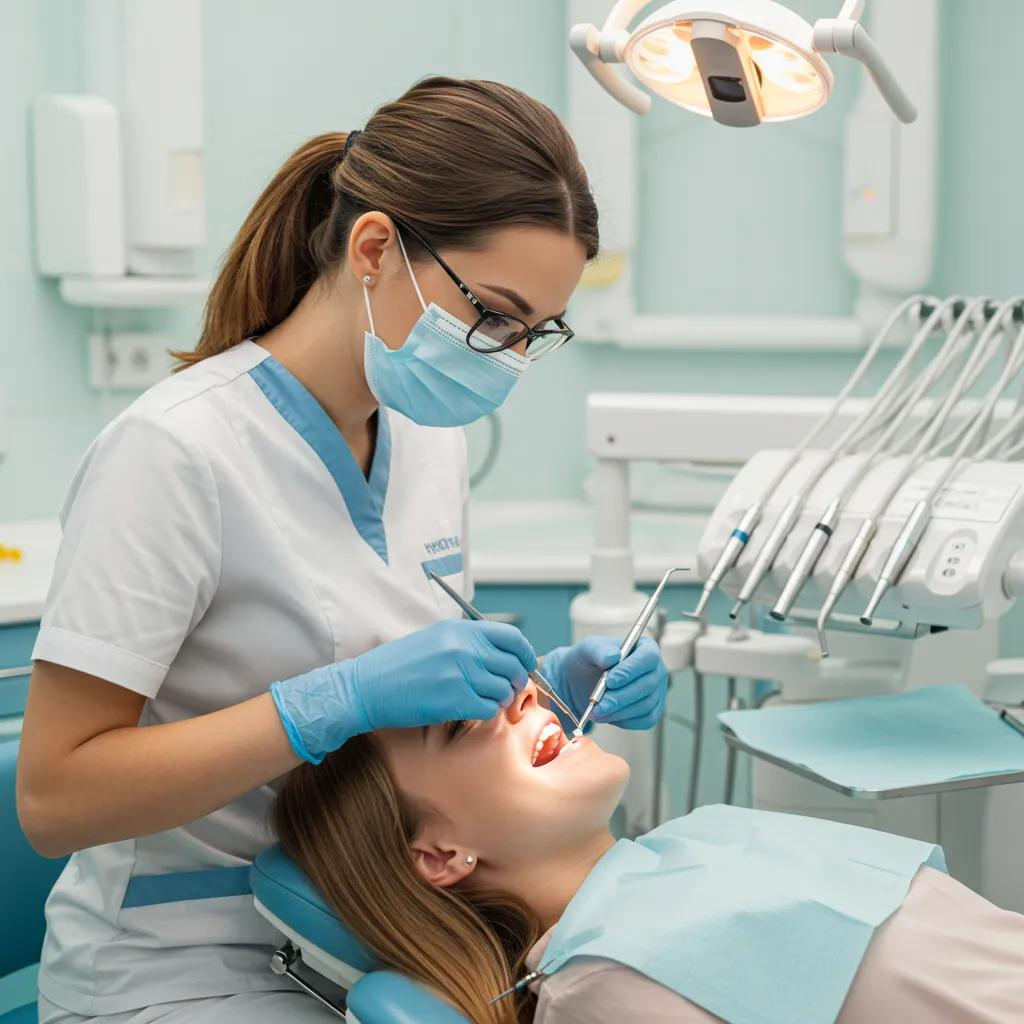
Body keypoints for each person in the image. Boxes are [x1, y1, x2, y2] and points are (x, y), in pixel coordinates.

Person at [16, 76, 668, 1024]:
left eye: (534, 332)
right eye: (492, 314)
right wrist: (330, 703)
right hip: (179, 963)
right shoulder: (175, 452)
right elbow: (55, 798)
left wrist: (556, 692)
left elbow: (410, 749)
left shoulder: (425, 437)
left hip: (378, 940)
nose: (509, 358)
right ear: (375, 249)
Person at [273, 681, 1024, 1024]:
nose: (523, 697)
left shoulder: (701, 834)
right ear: (439, 855)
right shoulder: (599, 987)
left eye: (508, 684)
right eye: (462, 729)